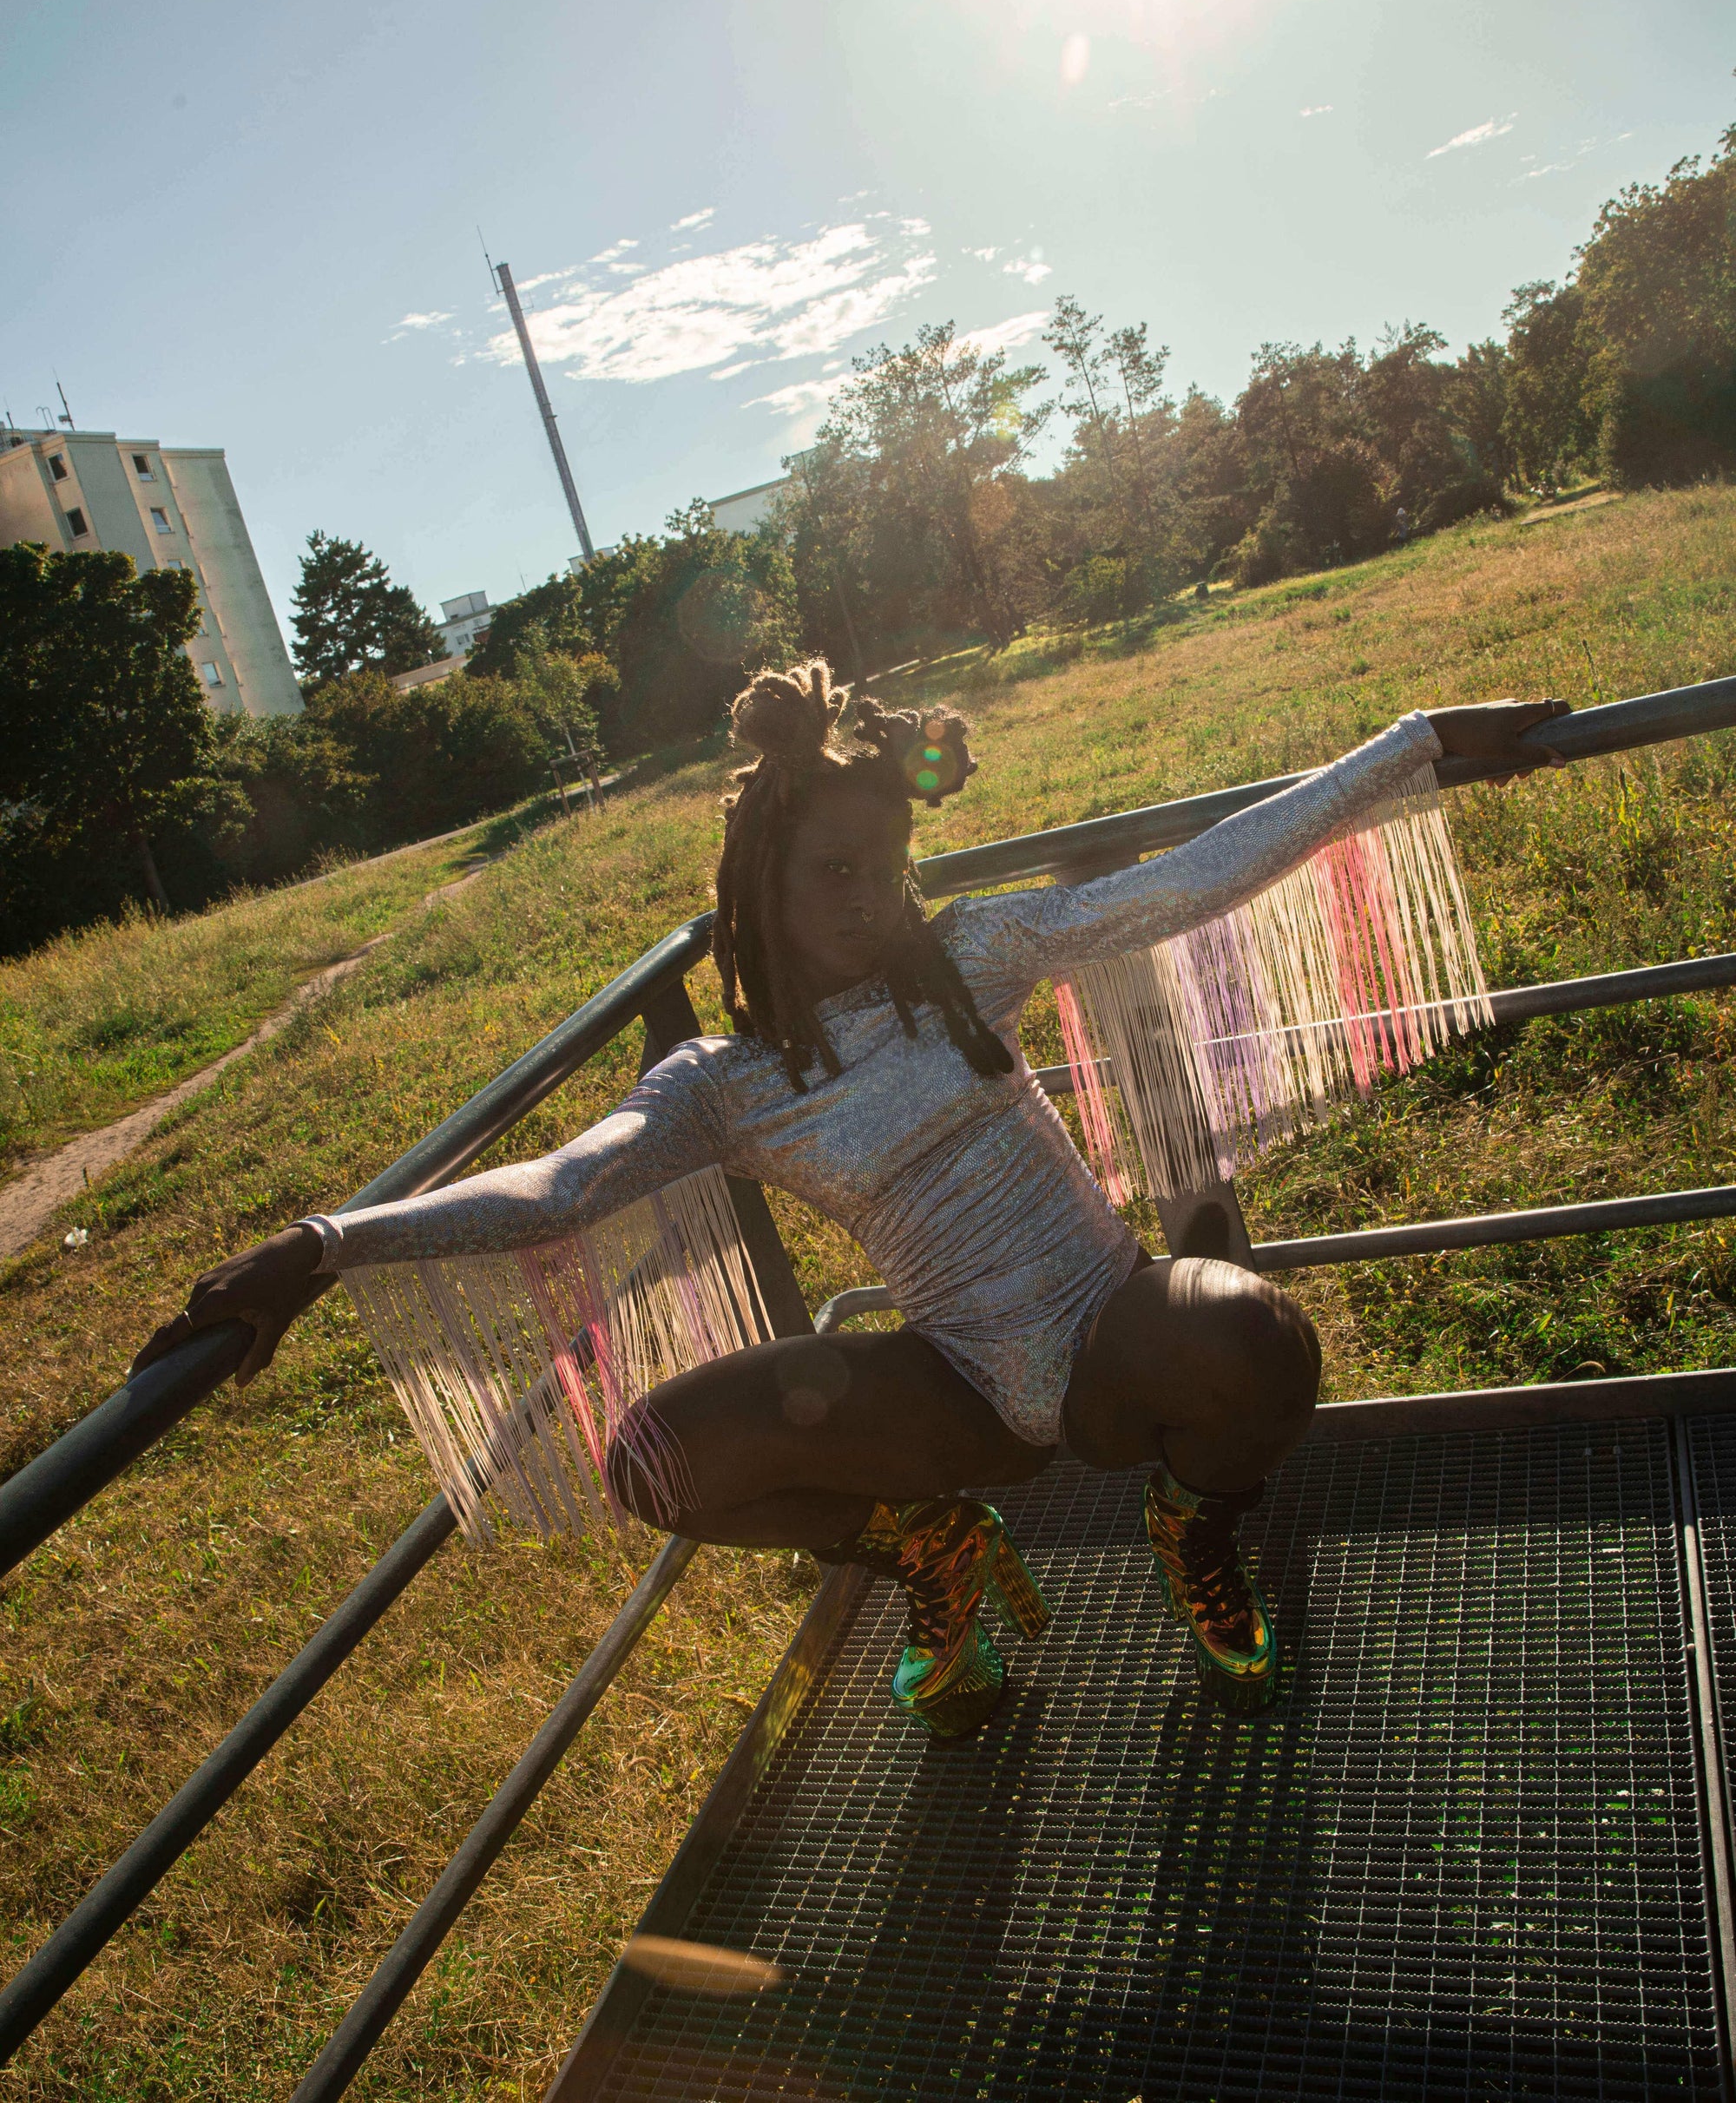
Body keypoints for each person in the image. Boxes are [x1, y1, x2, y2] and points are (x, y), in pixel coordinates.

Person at [134, 667, 1567, 1737]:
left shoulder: (973, 955)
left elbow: (1188, 881)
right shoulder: (721, 1082)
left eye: (886, 866)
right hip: (950, 1388)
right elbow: (560, 1187)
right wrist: (325, 1243)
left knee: (1257, 1339)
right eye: (835, 871)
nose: (871, 897)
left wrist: (1417, 745)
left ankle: (1191, 1526)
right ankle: (932, 1544)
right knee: (656, 1462)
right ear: (761, 879)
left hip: (1111, 1326)